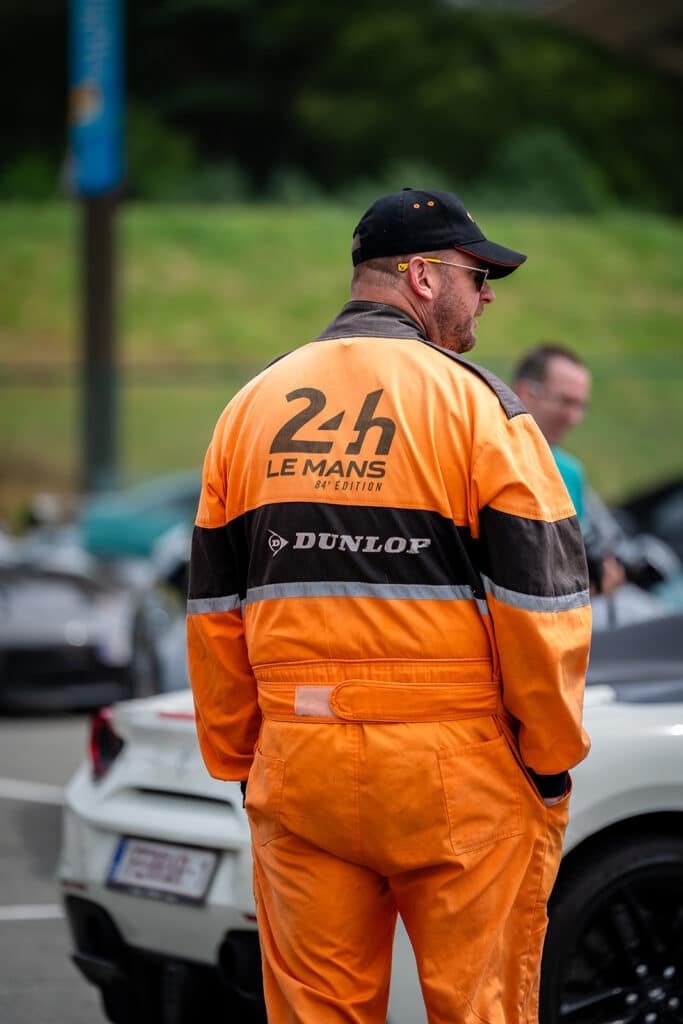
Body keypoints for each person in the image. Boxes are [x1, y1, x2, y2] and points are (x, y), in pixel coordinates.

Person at [187, 188, 592, 1024]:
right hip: (456, 772)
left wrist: (239, 759)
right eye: (475, 275)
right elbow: (541, 606)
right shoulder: (483, 407)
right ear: (419, 276)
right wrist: (547, 757)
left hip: (299, 770)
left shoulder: (250, 408)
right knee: (479, 1008)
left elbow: (215, 610)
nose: (485, 294)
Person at [512, 344, 625, 595]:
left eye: (580, 406)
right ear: (525, 391)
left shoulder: (569, 471)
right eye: (565, 401)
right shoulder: (483, 456)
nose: (573, 418)